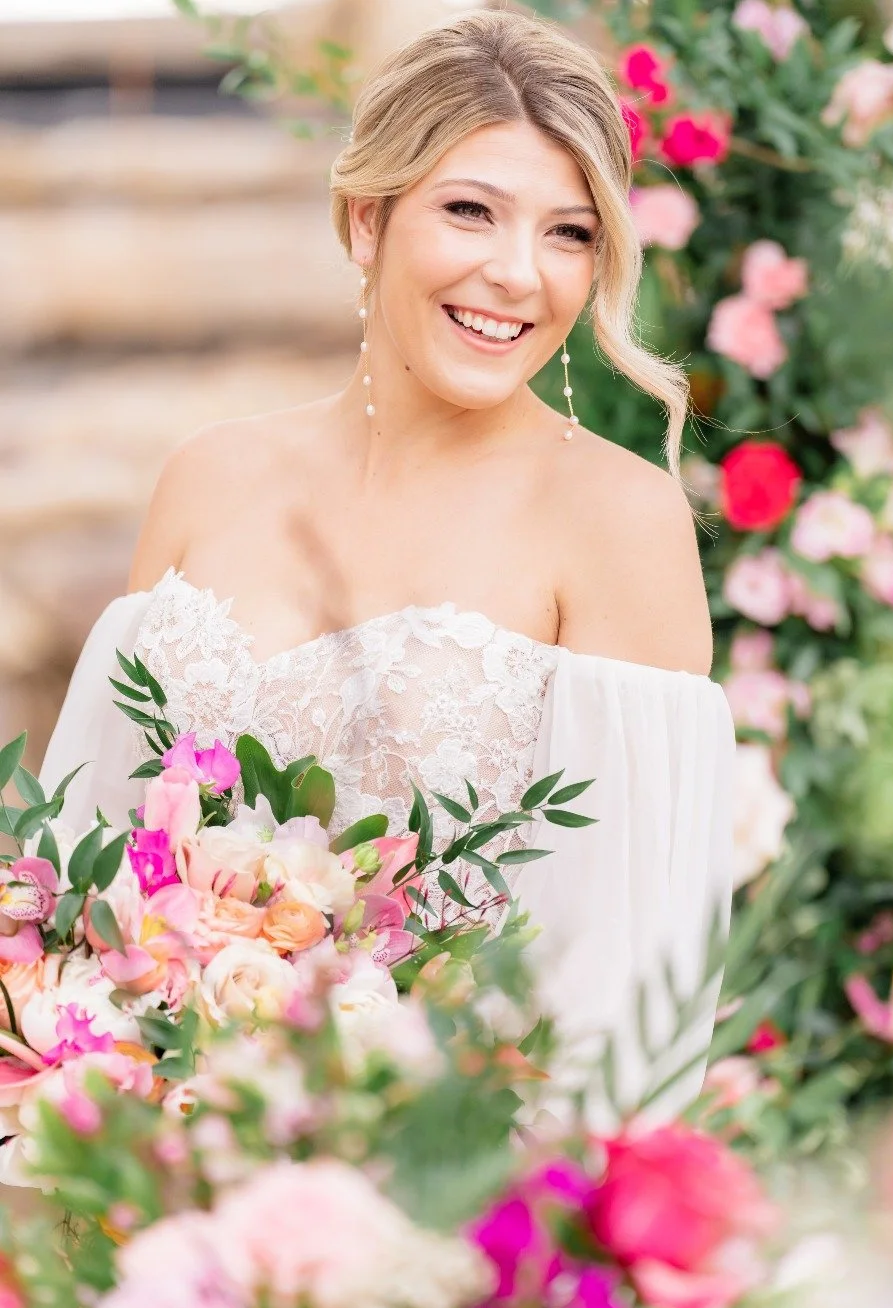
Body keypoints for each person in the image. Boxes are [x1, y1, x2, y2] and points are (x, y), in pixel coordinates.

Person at [38, 8, 734, 1125]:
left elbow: (622, 999)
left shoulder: (619, 519)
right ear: (366, 221)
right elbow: (76, 875)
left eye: (569, 234)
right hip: (141, 1163)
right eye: (470, 212)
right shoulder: (207, 478)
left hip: (434, 1185)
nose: (519, 275)